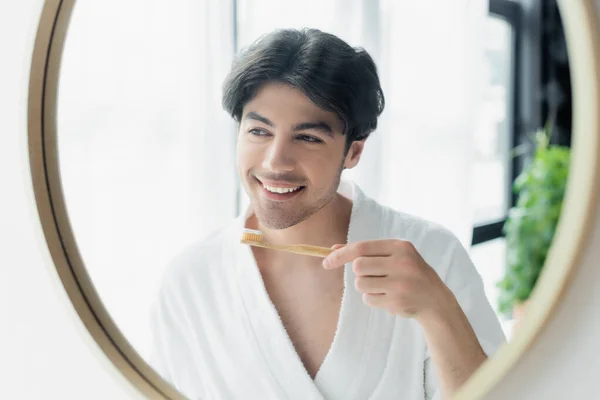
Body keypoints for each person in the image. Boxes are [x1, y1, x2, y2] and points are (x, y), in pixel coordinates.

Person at [149, 28, 505, 400]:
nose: (275, 162)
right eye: (258, 131)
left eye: (308, 137)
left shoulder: (432, 255)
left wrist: (438, 310)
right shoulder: (189, 282)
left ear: (353, 151)